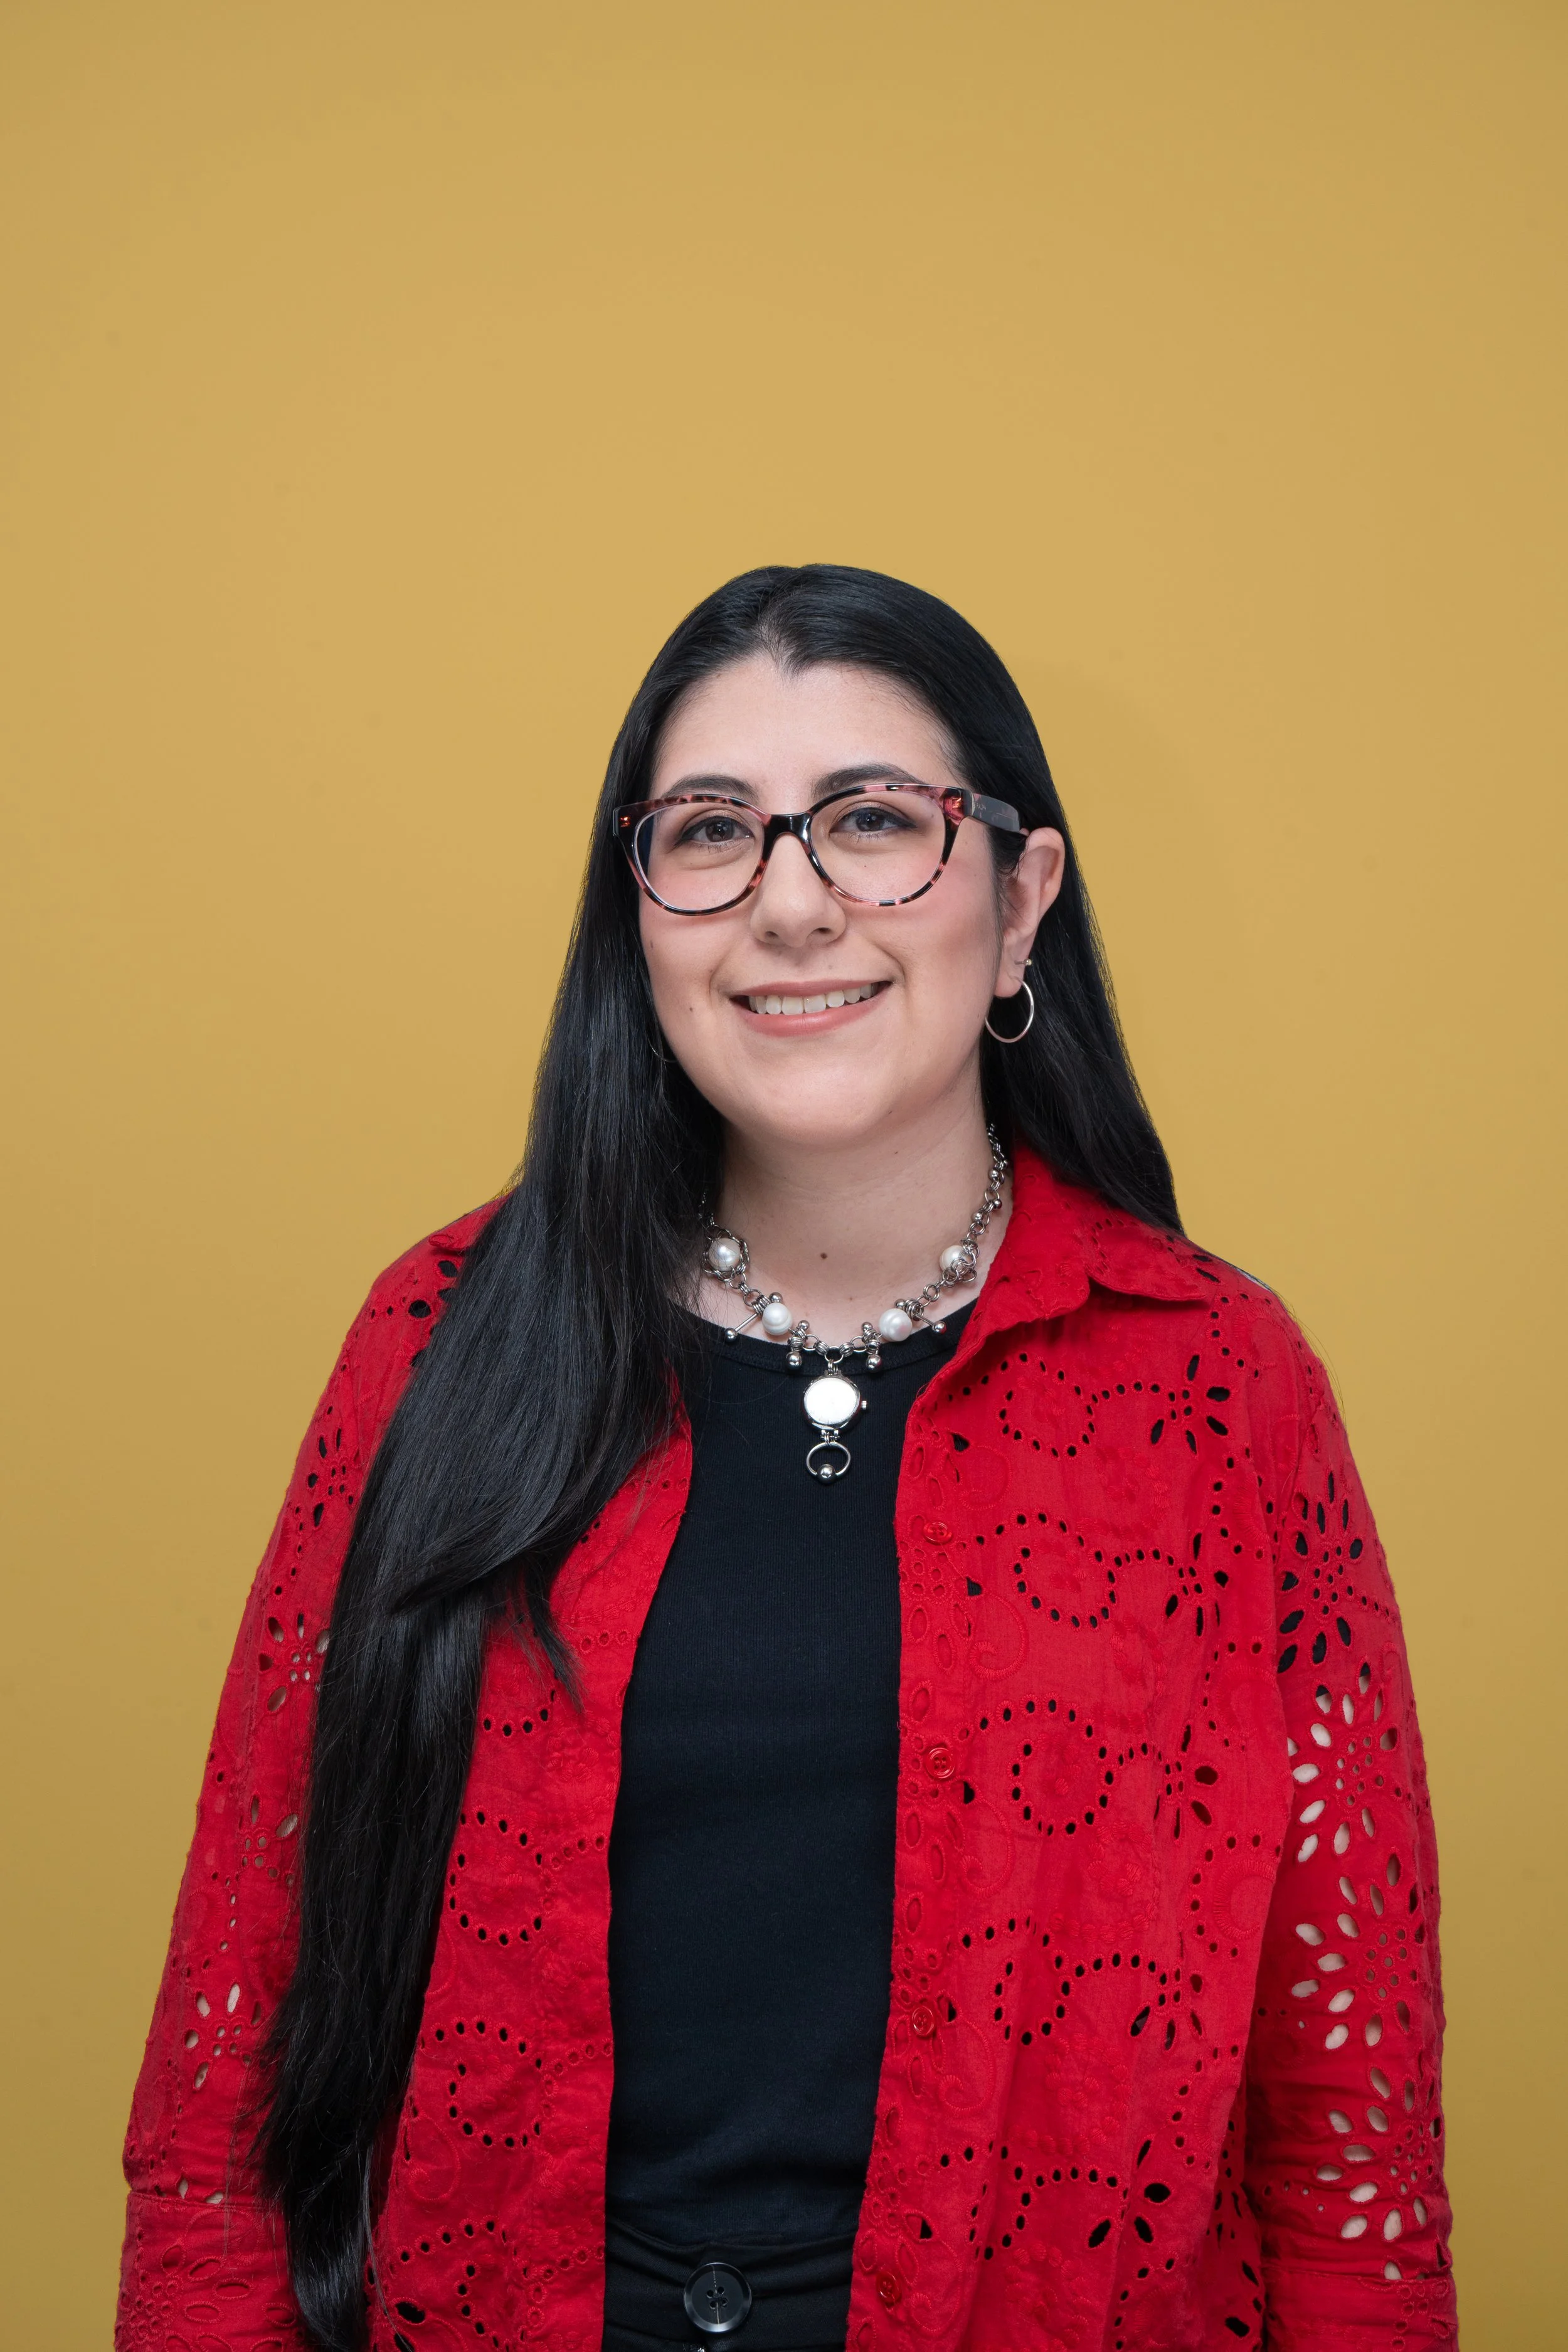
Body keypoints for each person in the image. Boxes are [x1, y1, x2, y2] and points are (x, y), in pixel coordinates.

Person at [115, 566, 1455, 2352]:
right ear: (639, 908)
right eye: (710, 833)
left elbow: (1349, 2148)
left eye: (874, 823)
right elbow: (230, 2065)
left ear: (1019, 894)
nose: (790, 904)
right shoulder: (439, 1339)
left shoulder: (1219, 1388)